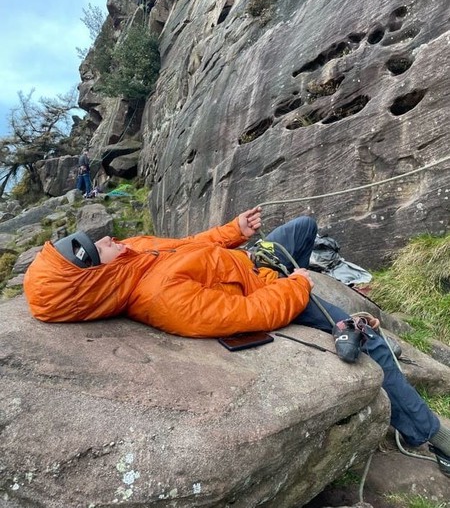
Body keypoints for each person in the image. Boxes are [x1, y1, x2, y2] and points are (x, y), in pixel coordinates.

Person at [23, 207, 450, 478]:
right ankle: (429, 435)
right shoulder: (164, 300)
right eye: (94, 249)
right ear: (95, 280)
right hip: (267, 287)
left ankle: (321, 304)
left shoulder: (132, 253)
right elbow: (252, 314)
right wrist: (296, 285)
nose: (106, 239)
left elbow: (189, 245)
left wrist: (234, 230)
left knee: (304, 227)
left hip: (252, 261)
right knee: (369, 341)